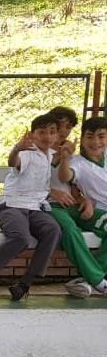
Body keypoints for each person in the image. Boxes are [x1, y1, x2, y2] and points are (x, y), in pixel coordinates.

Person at [0, 113, 62, 301]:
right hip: (12, 207)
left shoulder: (50, 154)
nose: (47, 136)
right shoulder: (27, 153)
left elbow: (57, 164)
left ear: (56, 136)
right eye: (42, 132)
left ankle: (24, 284)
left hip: (34, 208)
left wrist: (65, 156)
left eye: (52, 132)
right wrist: (17, 148)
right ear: (32, 134)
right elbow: (13, 162)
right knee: (20, 238)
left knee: (53, 230)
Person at [57, 116, 107, 297]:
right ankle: (97, 280)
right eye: (90, 136)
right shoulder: (77, 162)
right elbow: (65, 177)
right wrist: (64, 159)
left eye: (101, 136)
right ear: (83, 138)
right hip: (98, 211)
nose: (96, 142)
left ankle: (88, 280)